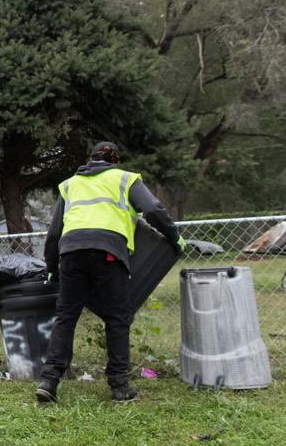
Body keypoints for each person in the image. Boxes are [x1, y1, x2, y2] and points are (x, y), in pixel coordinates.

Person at [36, 141, 183, 404]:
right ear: (116, 161)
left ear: (90, 159)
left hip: (70, 252)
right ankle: (119, 386)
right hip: (108, 251)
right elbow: (152, 210)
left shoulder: (70, 184)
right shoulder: (125, 178)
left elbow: (54, 233)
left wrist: (51, 268)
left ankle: (49, 380)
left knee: (66, 316)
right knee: (117, 318)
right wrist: (174, 237)